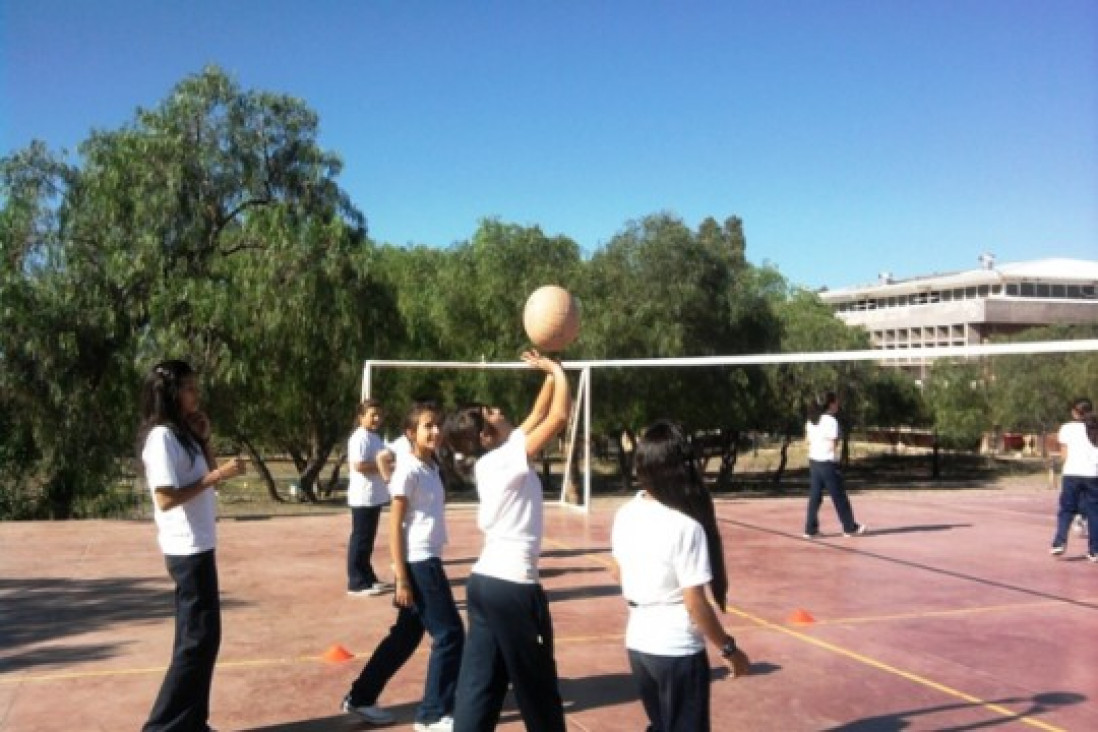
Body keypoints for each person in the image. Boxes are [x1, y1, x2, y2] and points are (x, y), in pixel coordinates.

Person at [441, 350, 570, 732]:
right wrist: (561, 374)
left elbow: (537, 414)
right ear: (484, 435)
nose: (499, 410)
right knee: (538, 689)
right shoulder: (502, 460)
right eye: (491, 412)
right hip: (512, 588)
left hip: (485, 585)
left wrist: (549, 371)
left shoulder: (497, 455)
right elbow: (558, 418)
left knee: (481, 686)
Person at [611, 420, 749, 732]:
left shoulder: (626, 513)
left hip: (639, 643)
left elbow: (618, 569)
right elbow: (694, 603)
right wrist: (728, 648)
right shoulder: (686, 527)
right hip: (676, 647)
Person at [137, 359, 246, 732]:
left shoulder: (182, 434)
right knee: (196, 642)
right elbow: (165, 498)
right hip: (185, 549)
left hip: (200, 545)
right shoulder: (161, 439)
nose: (195, 394)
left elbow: (207, 479)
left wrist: (204, 440)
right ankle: (163, 727)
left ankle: (193, 722)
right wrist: (217, 474)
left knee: (203, 639)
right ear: (169, 393)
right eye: (188, 388)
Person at [342, 401, 465, 731]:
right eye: (428, 426)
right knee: (451, 634)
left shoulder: (432, 465)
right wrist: (402, 578)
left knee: (406, 636)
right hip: (419, 561)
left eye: (438, 425)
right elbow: (395, 525)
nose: (436, 431)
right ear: (411, 433)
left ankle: (361, 696)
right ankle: (432, 714)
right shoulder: (409, 469)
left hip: (427, 557)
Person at [803, 391, 867, 538]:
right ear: (830, 403)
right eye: (836, 401)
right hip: (827, 463)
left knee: (815, 497)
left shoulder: (811, 421)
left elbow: (808, 440)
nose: (838, 404)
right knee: (839, 496)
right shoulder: (831, 421)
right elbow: (833, 444)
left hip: (814, 462)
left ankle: (810, 529)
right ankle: (849, 527)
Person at [346, 398, 393, 596]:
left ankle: (368, 577)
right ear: (361, 417)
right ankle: (356, 583)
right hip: (363, 496)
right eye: (372, 414)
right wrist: (384, 466)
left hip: (374, 496)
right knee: (361, 539)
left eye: (379, 415)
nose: (377, 418)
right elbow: (359, 465)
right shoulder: (359, 438)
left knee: (368, 540)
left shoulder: (374, 437)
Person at [1050, 397, 1098, 561]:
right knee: (1094, 512)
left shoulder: (1067, 428)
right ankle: (1095, 551)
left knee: (1066, 510)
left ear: (1076, 412)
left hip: (1072, 473)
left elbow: (1064, 455)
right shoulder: (1095, 427)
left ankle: (1059, 542)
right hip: (1092, 474)